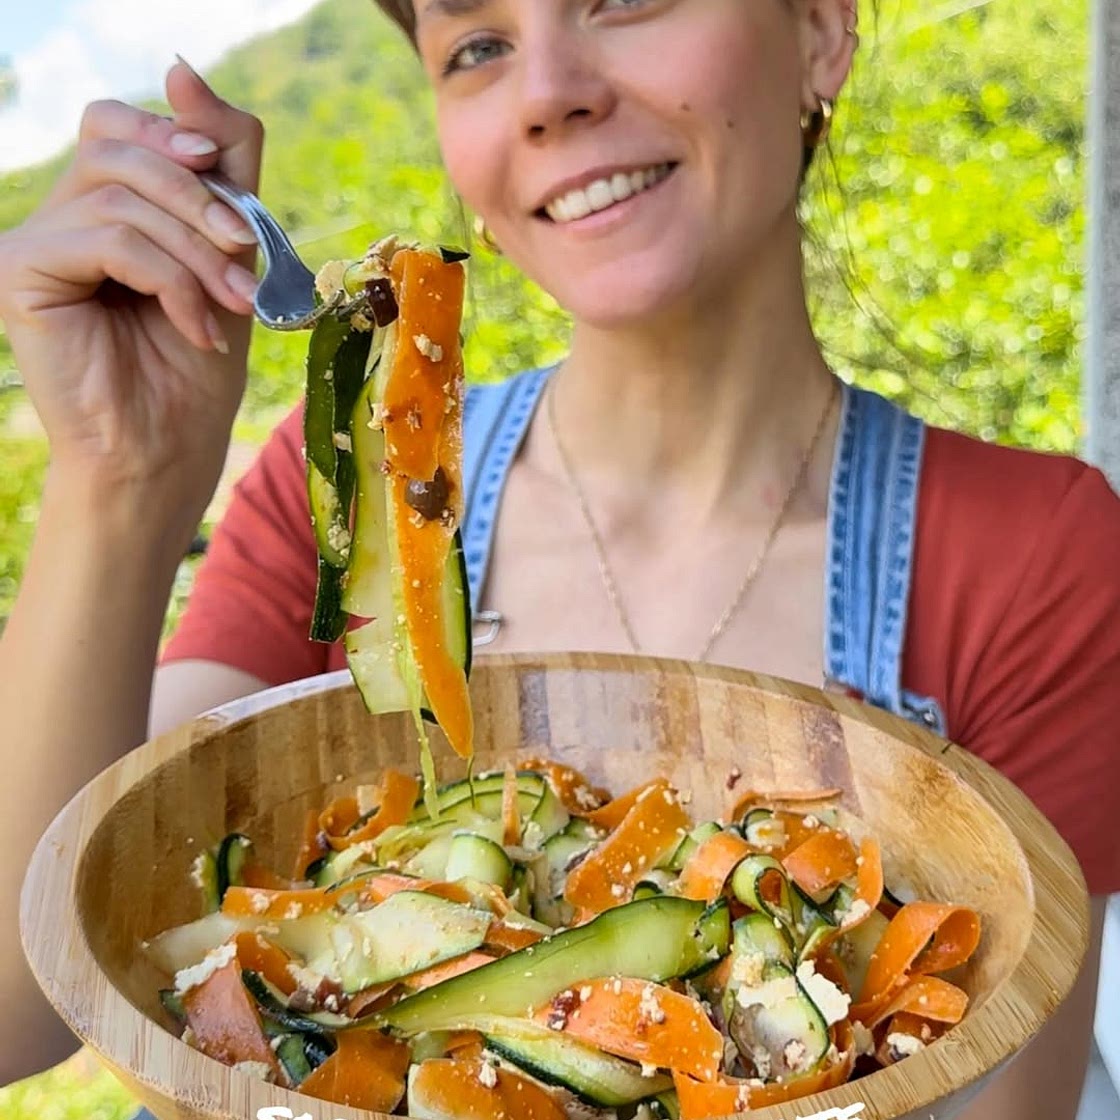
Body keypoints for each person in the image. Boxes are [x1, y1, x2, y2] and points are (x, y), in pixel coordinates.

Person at [0, 0, 1116, 1115]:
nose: (546, 94)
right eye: (478, 45)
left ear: (820, 29)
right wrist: (121, 473)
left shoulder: (1036, 557)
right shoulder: (343, 496)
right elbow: (18, 1006)